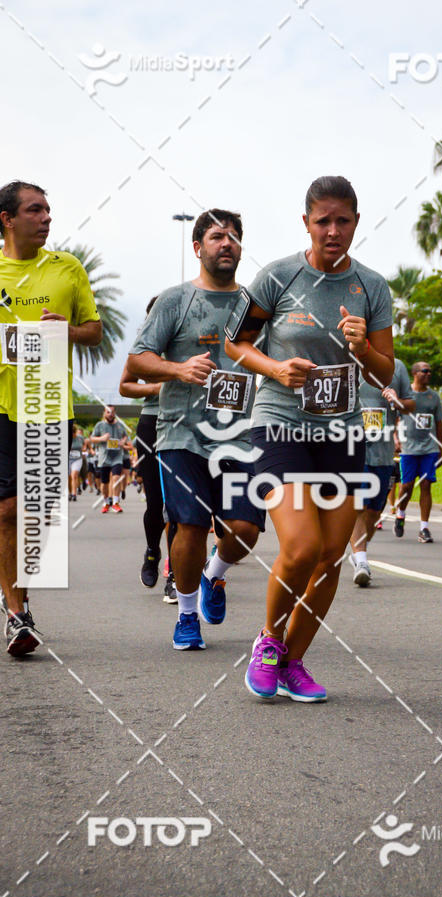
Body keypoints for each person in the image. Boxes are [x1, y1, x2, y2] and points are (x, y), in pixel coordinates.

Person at [225, 175, 394, 702]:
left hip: (342, 434)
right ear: (306, 223)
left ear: (356, 223)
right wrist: (276, 369)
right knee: (301, 547)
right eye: (323, 220)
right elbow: (236, 345)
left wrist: (363, 348)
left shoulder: (371, 287)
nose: (333, 230)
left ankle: (294, 663)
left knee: (329, 558)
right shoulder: (277, 277)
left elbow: (385, 374)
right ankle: (269, 641)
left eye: (343, 220)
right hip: (279, 425)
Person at [127, 208, 265, 650]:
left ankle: (214, 575)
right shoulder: (174, 300)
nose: (227, 244)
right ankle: (187, 617)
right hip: (181, 433)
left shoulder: (257, 305)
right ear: (197, 248)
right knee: (188, 525)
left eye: (234, 237)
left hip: (240, 436)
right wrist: (177, 369)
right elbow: (138, 360)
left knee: (245, 529)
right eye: (217, 236)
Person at [0, 180, 102, 655]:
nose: (46, 218)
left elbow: (95, 330)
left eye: (48, 211)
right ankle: (17, 613)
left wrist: (68, 331)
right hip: (1, 405)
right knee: (7, 509)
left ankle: (16, 587)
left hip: (47, 404)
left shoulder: (68, 269)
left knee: (35, 513)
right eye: (35, 210)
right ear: (7, 219)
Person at [119, 296, 174, 594]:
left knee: (182, 506)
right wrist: (157, 388)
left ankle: (176, 575)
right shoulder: (145, 345)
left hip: (188, 424)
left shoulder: (192, 338)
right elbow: (125, 386)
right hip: (152, 423)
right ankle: (153, 552)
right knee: (157, 503)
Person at [349, 358, 414, 586]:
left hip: (383, 452)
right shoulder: (345, 361)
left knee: (375, 510)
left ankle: (358, 552)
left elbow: (411, 405)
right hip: (351, 448)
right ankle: (361, 559)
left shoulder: (396, 367)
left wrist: (398, 401)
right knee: (359, 505)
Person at [393, 362, 442, 543]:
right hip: (408, 448)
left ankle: (424, 528)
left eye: (430, 371)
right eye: (424, 371)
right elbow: (394, 418)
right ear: (415, 373)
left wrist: (440, 448)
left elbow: (439, 423)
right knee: (406, 486)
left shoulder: (434, 397)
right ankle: (400, 515)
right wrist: (395, 439)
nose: (428, 374)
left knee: (426, 485)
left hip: (429, 447)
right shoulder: (406, 395)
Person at [89, 405, 129, 513]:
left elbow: (125, 436)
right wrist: (102, 438)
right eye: (108, 412)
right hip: (104, 458)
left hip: (117, 457)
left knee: (116, 478)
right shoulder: (100, 425)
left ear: (115, 413)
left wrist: (123, 441)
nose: (110, 414)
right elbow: (92, 439)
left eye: (112, 412)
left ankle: (116, 503)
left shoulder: (120, 426)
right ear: (104, 413)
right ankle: (106, 502)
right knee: (104, 483)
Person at [69, 424, 85, 501]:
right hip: (68, 459)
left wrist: (84, 449)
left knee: (74, 475)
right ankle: (69, 492)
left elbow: (84, 444)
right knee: (69, 477)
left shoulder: (80, 438)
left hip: (77, 459)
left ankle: (74, 494)